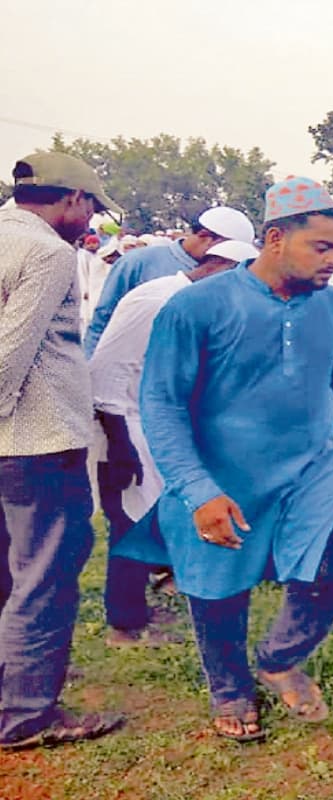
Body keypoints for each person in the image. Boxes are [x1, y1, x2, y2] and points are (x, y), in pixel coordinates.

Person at [118, 177, 333, 743]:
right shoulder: (197, 306)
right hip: (222, 470)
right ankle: (229, 688)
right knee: (216, 583)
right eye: (321, 248)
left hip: (311, 467)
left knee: (327, 572)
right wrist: (198, 490)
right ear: (275, 238)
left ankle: (278, 659)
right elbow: (161, 401)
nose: (332, 262)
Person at [0, 152, 126, 750]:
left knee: (9, 574)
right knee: (44, 577)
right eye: (92, 207)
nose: (92, 220)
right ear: (73, 198)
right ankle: (26, 714)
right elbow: (8, 357)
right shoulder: (47, 252)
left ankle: (14, 687)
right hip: (36, 443)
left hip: (12, 447)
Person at [89, 239, 259, 647]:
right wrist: (120, 447)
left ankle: (159, 590)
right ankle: (124, 625)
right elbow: (105, 372)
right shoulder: (154, 298)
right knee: (130, 522)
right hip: (124, 424)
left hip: (152, 424)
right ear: (216, 264)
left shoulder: (191, 302)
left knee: (162, 514)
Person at [84, 204, 255, 356]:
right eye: (230, 248)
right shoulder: (138, 263)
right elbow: (102, 320)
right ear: (205, 237)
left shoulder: (229, 274)